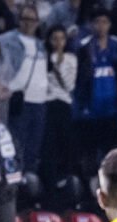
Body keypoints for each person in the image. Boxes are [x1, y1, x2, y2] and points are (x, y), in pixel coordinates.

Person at [75, 8, 117, 176]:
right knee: (90, 151)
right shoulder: (83, 46)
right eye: (97, 22)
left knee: (111, 149)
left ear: (110, 24)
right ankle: (89, 186)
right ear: (91, 24)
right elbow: (79, 79)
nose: (101, 26)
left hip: (113, 107)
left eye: (104, 22)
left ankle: (112, 183)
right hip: (91, 109)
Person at [0, 5, 49, 175]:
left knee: (34, 146)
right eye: (25, 19)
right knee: (16, 144)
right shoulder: (7, 40)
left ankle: (29, 182)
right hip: (21, 100)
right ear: (19, 20)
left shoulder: (41, 45)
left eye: (32, 20)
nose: (28, 23)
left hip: (40, 102)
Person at [42, 24, 78, 188]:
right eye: (54, 39)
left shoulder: (71, 59)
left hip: (64, 103)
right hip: (48, 102)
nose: (58, 42)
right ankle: (49, 179)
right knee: (49, 143)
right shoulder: (44, 57)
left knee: (65, 141)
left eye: (61, 38)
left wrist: (58, 65)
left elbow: (69, 85)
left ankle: (66, 176)